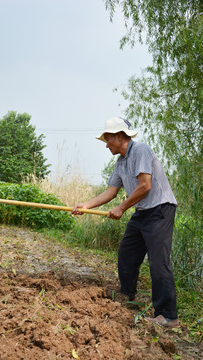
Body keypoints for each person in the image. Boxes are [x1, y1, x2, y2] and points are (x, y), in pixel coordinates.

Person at [72, 116, 179, 328]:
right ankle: (127, 294)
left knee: (159, 263)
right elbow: (111, 192)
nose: (106, 145)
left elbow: (145, 186)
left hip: (160, 209)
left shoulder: (140, 150)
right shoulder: (120, 162)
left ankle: (168, 315)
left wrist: (122, 208)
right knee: (127, 253)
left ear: (120, 136)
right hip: (142, 212)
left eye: (108, 139)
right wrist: (86, 205)